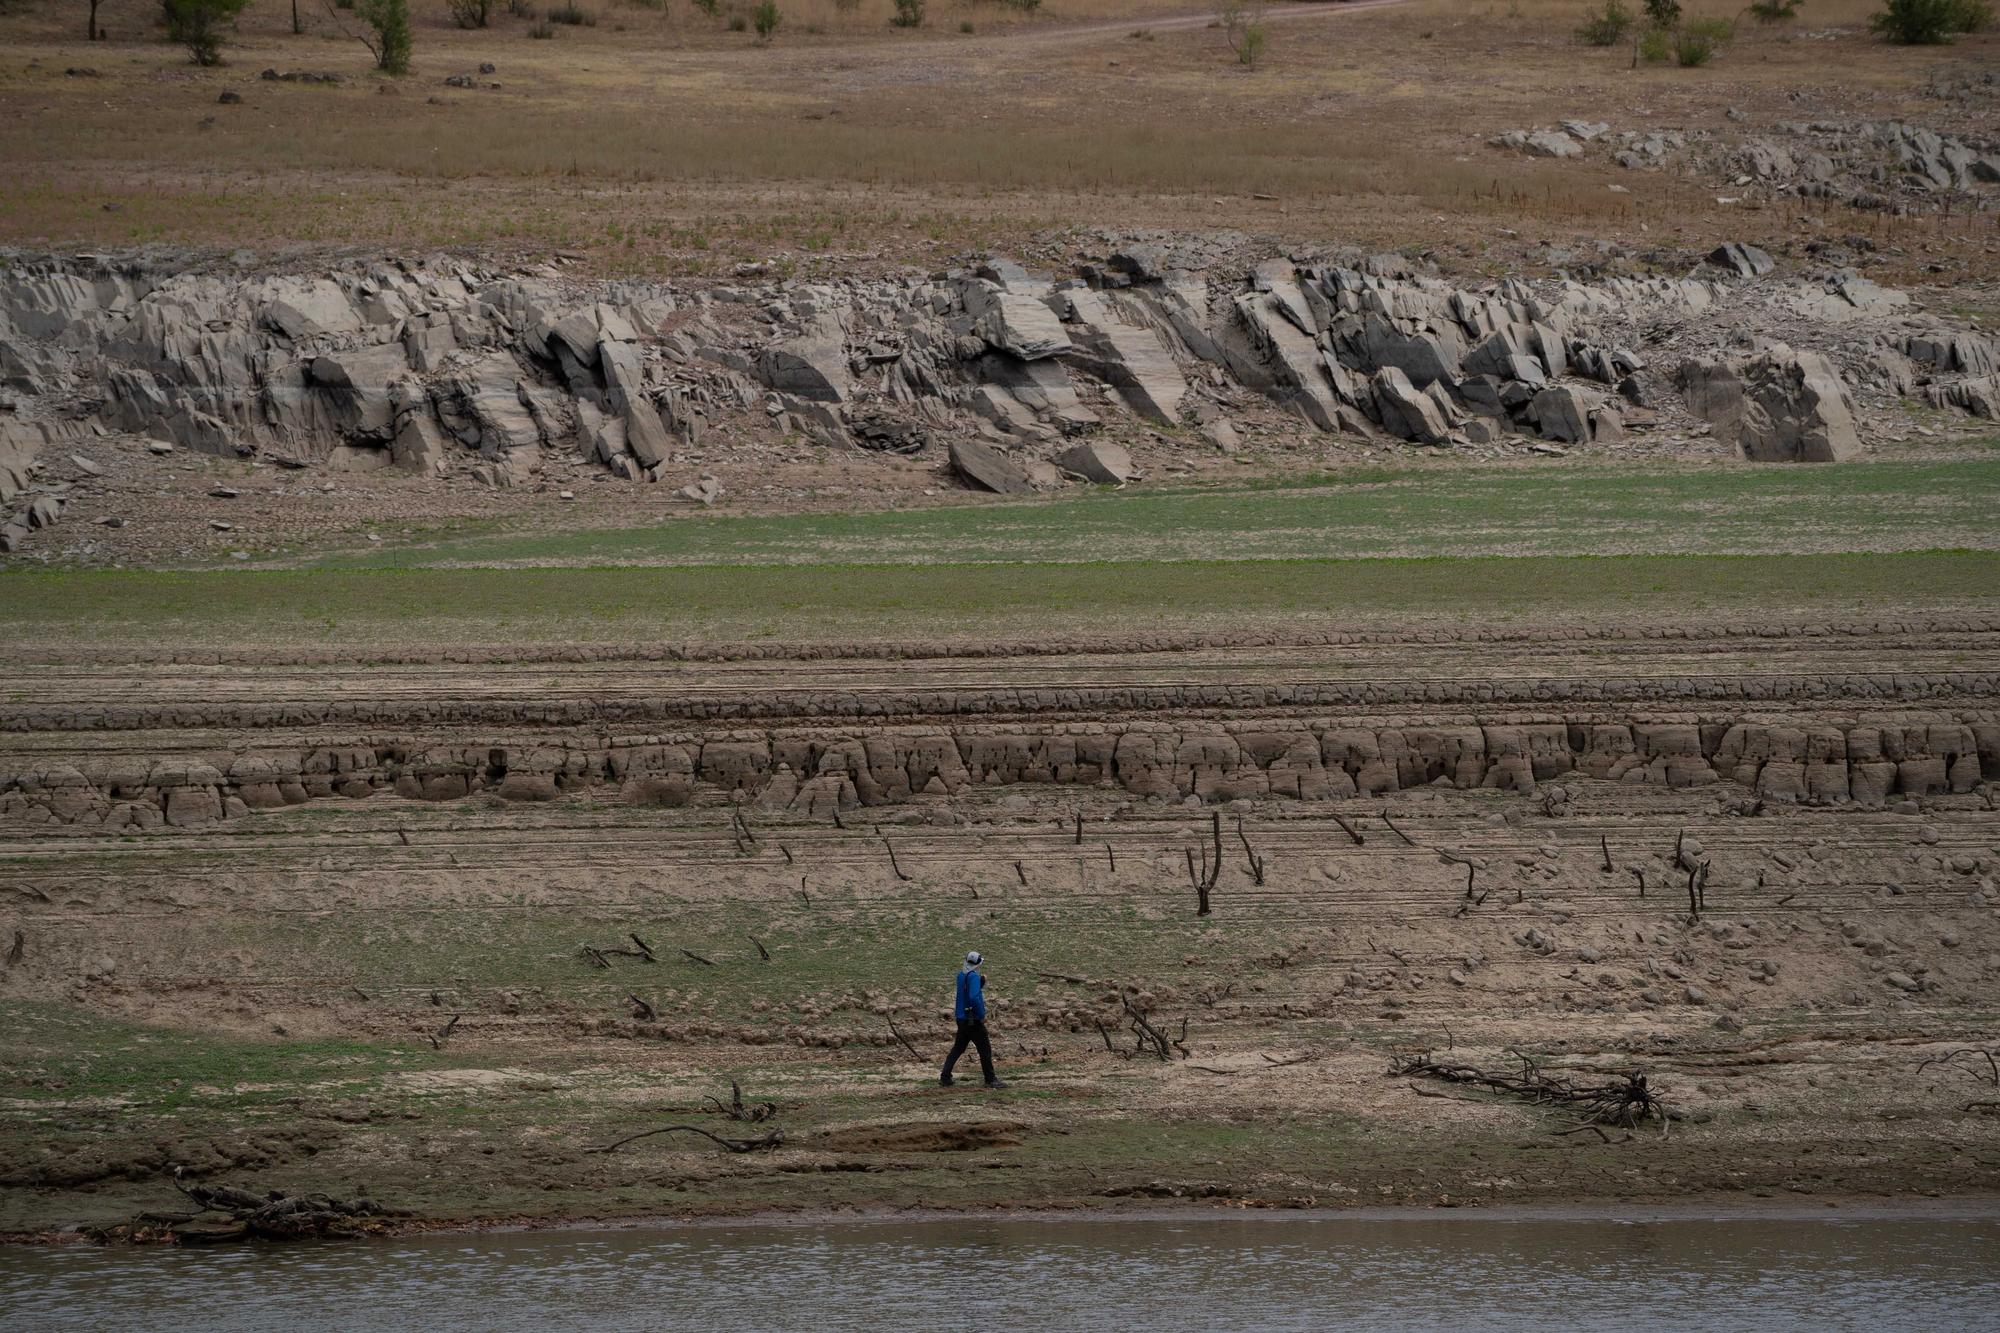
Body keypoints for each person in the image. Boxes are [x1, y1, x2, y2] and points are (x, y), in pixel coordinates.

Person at [939, 950, 1005, 1088]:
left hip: (961, 1018)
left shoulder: (961, 975)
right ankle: (990, 1079)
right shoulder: (973, 977)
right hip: (972, 1019)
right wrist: (981, 1015)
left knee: (958, 1048)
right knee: (985, 1048)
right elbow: (974, 997)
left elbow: (966, 992)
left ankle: (945, 1076)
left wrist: (980, 984)